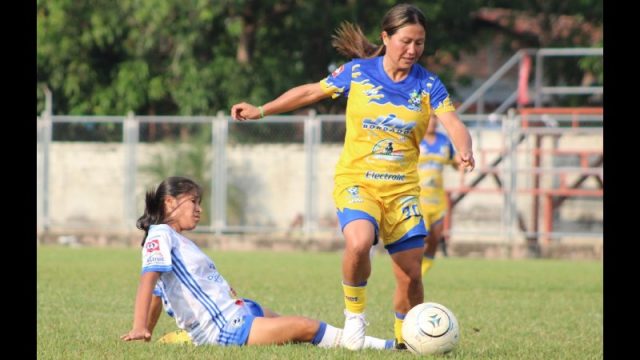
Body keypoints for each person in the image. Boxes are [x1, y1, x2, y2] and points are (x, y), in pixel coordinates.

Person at [230, 3, 474, 350]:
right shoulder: (358, 73)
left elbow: (454, 123)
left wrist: (464, 149)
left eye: (419, 43)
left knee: (411, 276)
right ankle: (355, 318)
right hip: (357, 182)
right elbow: (311, 92)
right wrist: (262, 110)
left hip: (402, 192)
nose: (413, 50)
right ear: (385, 37)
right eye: (405, 41)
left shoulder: (429, 84)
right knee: (359, 242)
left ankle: (406, 341)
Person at [121, 176, 394, 349]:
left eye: (199, 202)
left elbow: (160, 294)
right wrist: (139, 326)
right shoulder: (160, 235)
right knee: (305, 327)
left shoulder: (179, 241)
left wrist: (149, 334)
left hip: (238, 311)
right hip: (223, 328)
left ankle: (188, 339)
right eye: (193, 201)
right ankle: (385, 347)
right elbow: (149, 281)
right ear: (169, 202)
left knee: (284, 324)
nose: (199, 208)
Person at [418, 115, 460, 277]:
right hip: (417, 198)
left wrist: (461, 162)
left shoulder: (444, 141)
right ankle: (413, 272)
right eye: (429, 118)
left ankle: (422, 272)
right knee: (420, 239)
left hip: (437, 199)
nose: (433, 122)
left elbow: (454, 162)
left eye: (435, 118)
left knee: (435, 239)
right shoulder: (415, 138)